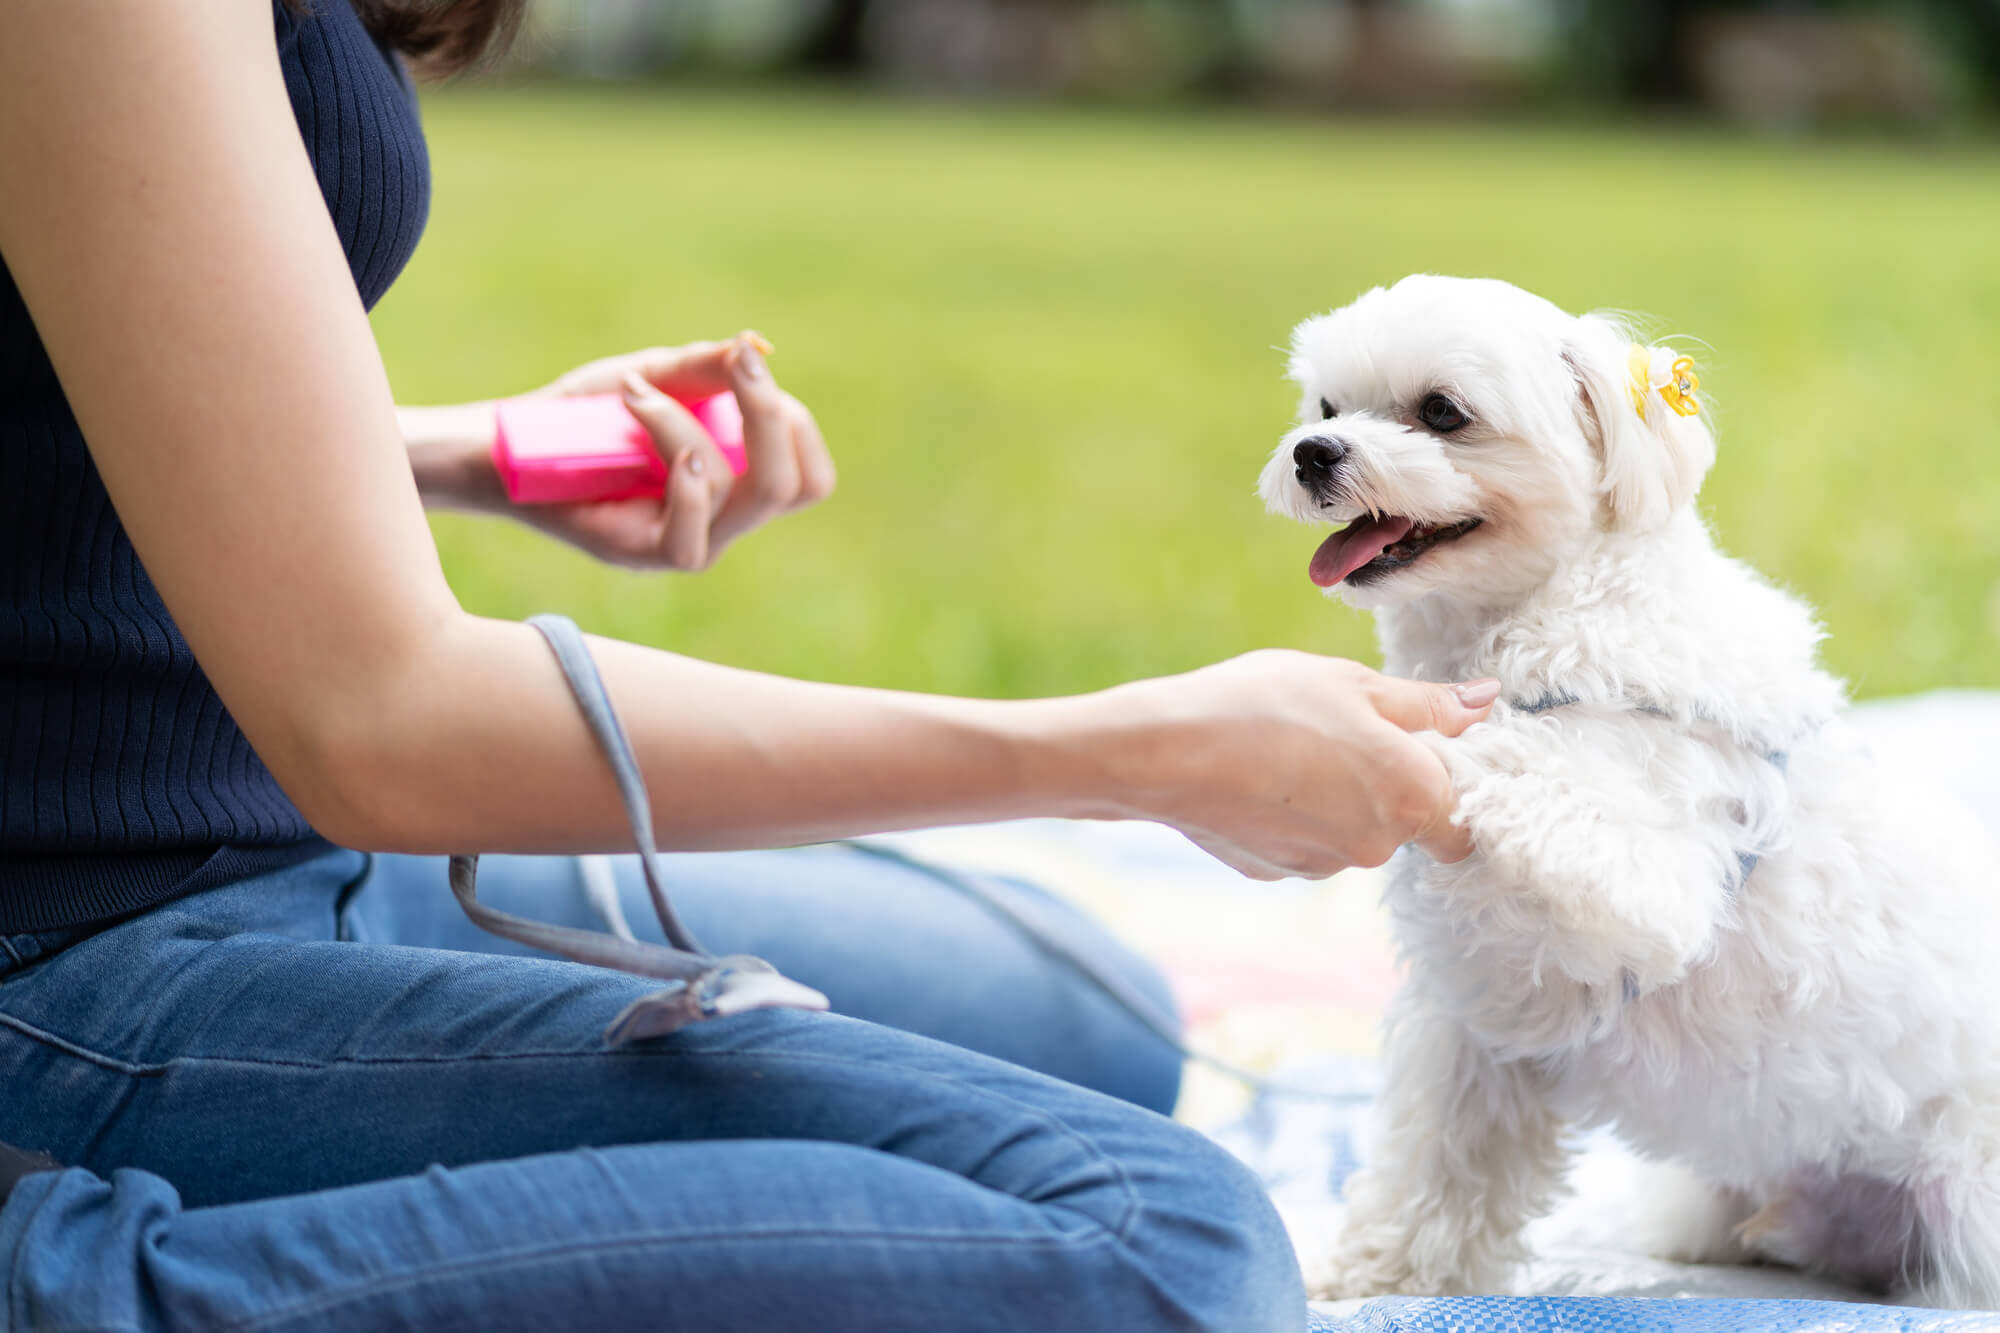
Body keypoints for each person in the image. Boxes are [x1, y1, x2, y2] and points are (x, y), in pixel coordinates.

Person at [0, 3, 1495, 1329]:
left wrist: (449, 454)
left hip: (272, 841)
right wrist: (1131, 750)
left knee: (1086, 1017)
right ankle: (68, 1275)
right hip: (74, 949)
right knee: (1158, 1244)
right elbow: (384, 725)